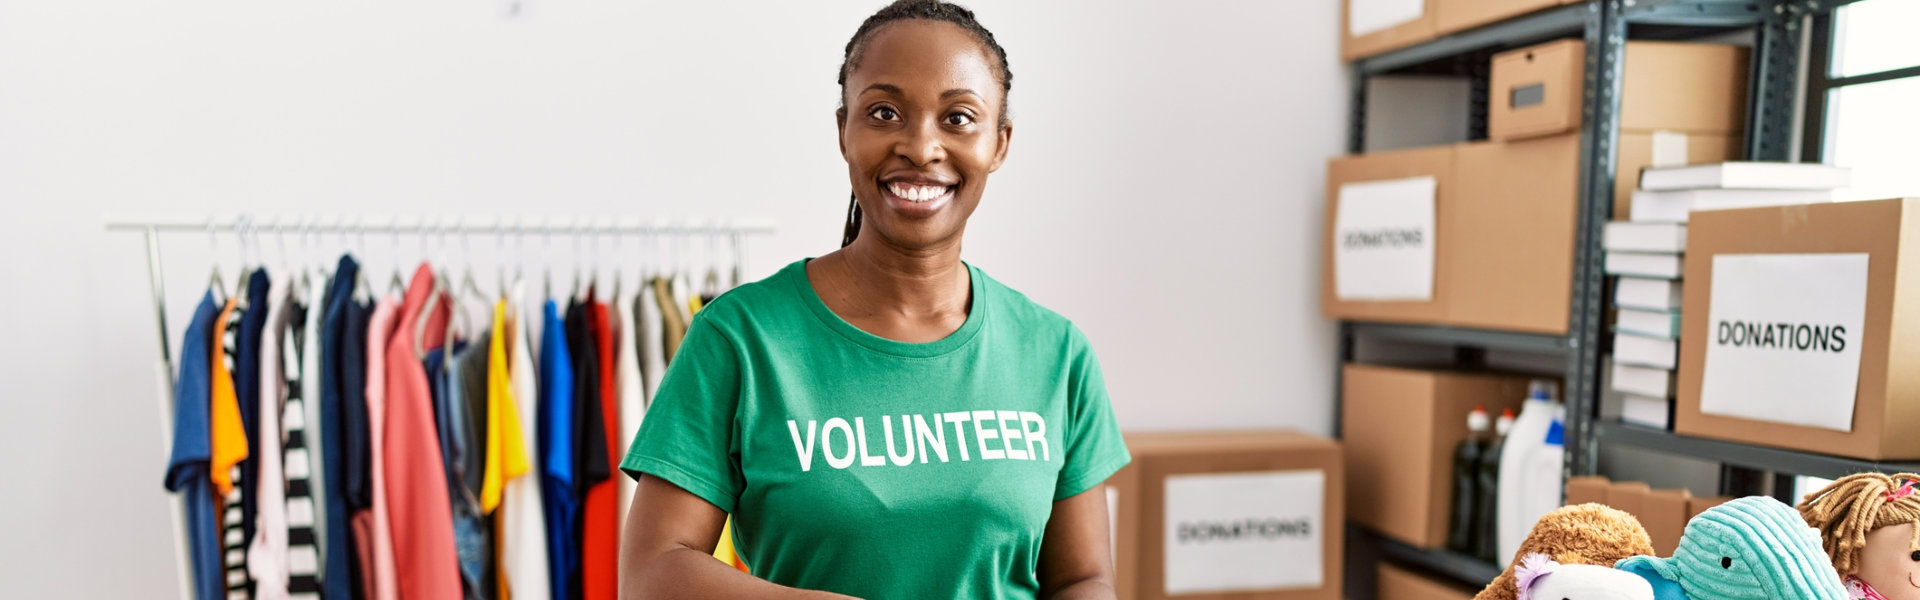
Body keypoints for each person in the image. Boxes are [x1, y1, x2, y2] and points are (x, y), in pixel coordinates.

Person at [617, 1, 1131, 599]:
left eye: (959, 117)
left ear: (1000, 143)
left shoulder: (1056, 353)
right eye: (884, 112)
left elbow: (1084, 579)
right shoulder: (739, 337)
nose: (920, 146)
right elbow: (654, 571)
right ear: (844, 130)